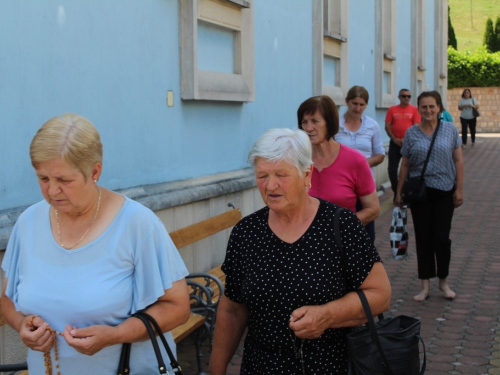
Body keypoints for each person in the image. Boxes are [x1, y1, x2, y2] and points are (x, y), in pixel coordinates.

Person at [1, 113, 191, 374]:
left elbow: (178, 307)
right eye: (43, 179)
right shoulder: (28, 222)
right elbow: (8, 300)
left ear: (94, 172)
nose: (52, 191)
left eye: (64, 180)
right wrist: (23, 325)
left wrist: (115, 335)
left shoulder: (137, 224)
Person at [209, 128, 391, 374]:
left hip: (328, 365)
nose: (270, 185)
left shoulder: (340, 224)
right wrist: (216, 370)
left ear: (307, 175)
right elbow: (232, 309)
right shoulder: (247, 232)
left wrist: (327, 315)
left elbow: (380, 295)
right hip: (262, 366)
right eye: (262, 175)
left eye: (281, 174)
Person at [395, 91, 463, 302]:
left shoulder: (450, 130)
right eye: (423, 107)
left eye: (432, 106)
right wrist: (398, 192)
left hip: (444, 191)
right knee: (424, 238)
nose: (428, 111)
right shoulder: (412, 133)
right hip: (420, 194)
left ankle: (443, 281)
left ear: (439, 108)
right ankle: (425, 285)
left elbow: (458, 161)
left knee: (442, 238)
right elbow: (405, 164)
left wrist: (459, 189)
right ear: (419, 109)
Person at [335, 86, 385, 242]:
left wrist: (363, 163)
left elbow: (380, 154)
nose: (357, 108)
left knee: (366, 229)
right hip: (340, 183)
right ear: (347, 102)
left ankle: (365, 262)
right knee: (341, 225)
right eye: (354, 103)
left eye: (362, 104)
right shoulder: (335, 124)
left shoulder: (372, 125)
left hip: (364, 183)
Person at [385, 88, 421, 197]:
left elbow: (416, 126)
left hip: (409, 144)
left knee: (410, 170)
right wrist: (394, 138)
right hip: (394, 143)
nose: (406, 98)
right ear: (399, 97)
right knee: (392, 170)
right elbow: (387, 126)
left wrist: (406, 139)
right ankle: (397, 192)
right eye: (404, 96)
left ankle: (409, 193)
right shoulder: (392, 109)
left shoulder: (415, 110)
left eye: (409, 96)